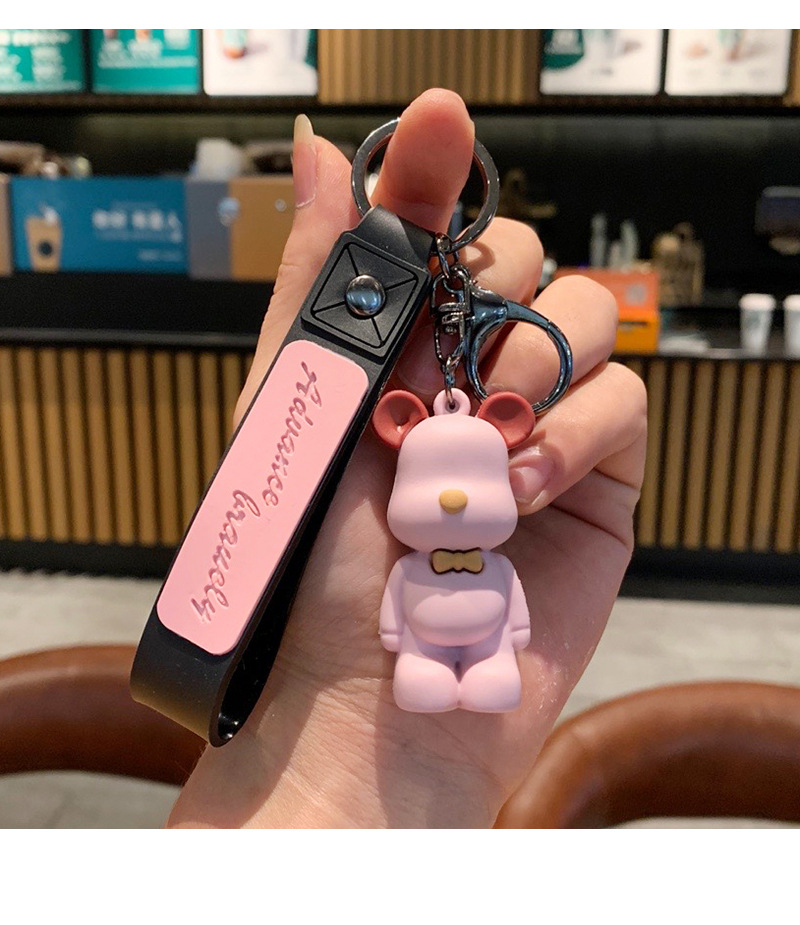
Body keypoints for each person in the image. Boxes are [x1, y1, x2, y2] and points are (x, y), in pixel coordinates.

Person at [168, 88, 647, 828]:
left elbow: (513, 619)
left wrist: (507, 642)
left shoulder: (501, 563)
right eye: (434, 482)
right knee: (419, 671)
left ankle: (474, 679)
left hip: (479, 669)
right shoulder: (408, 565)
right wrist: (354, 696)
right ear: (398, 429)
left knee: (487, 670)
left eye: (472, 480)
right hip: (401, 670)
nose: (452, 498)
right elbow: (395, 621)